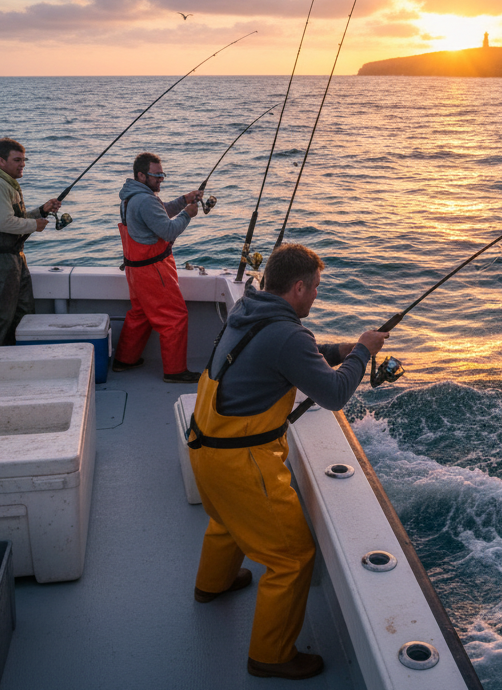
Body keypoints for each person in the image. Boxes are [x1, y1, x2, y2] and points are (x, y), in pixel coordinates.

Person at [185, 244, 389, 680]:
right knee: (293, 557)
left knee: (227, 520)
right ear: (298, 287)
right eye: (315, 288)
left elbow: (296, 353)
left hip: (205, 447)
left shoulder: (250, 311)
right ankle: (271, 655)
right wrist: (364, 352)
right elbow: (333, 394)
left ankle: (213, 585)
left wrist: (343, 349)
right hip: (242, 463)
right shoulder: (288, 334)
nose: (316, 295)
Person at [112, 152, 203, 382]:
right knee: (175, 317)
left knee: (140, 314)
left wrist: (184, 199)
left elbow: (159, 214)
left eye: (162, 174)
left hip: (135, 270)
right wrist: (188, 214)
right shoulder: (145, 199)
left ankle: (125, 360)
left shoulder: (132, 196)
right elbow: (168, 230)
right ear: (141, 175)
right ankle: (175, 371)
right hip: (152, 270)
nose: (161, 179)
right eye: (156, 175)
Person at [0, 138, 59, 350]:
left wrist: (42, 211)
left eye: (24, 160)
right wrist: (34, 225)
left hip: (12, 260)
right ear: (1, 161)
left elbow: (11, 218)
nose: (23, 164)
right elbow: (3, 223)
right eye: (17, 160)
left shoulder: (5, 183)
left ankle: (15, 363)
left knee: (23, 315)